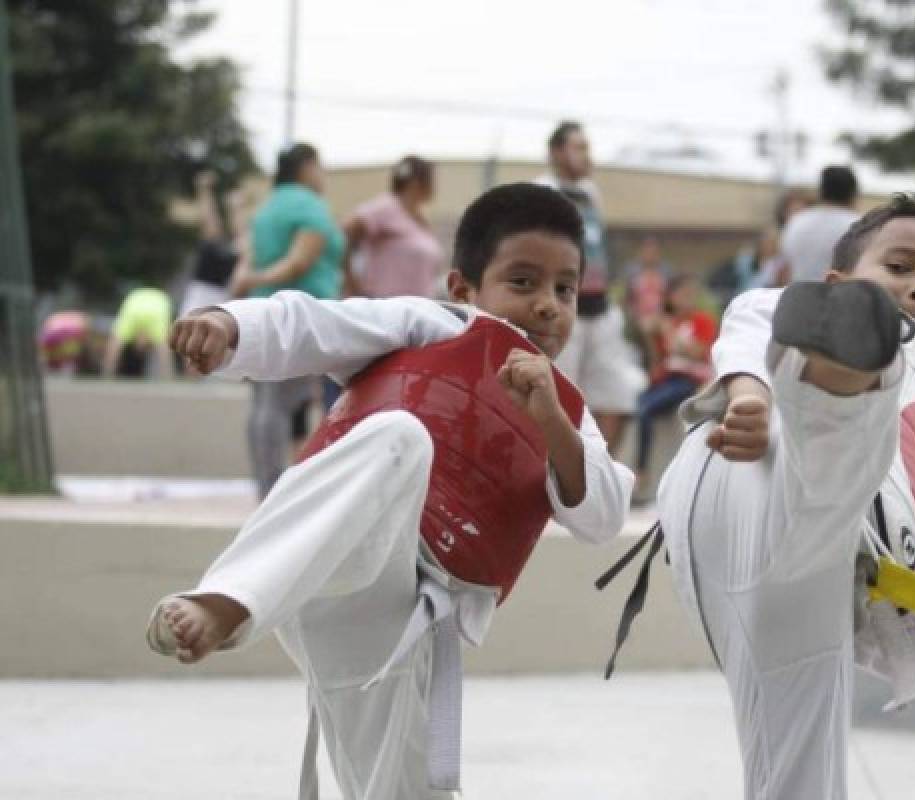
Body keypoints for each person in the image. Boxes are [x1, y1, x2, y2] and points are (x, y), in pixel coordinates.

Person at [147, 183, 634, 799]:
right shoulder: (430, 323)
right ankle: (227, 599)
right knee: (400, 436)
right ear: (463, 288)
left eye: (564, 289)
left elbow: (603, 515)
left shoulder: (564, 411)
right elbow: (312, 324)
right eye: (523, 282)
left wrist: (551, 422)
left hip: (403, 618)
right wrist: (228, 324)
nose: (547, 305)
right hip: (336, 556)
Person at [654, 195, 915, 800]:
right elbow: (751, 324)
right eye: (899, 268)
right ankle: (836, 384)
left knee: (802, 775)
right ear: (836, 282)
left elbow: (874, 613)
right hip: (743, 473)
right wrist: (751, 397)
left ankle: (842, 389)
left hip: (811, 569)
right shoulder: (782, 307)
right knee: (824, 452)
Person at [232, 143, 346, 498]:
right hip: (300, 316)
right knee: (282, 405)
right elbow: (299, 263)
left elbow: (248, 256)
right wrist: (258, 280)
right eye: (320, 167)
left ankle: (267, 485)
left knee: (267, 404)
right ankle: (274, 489)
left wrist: (248, 286)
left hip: (263, 316)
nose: (323, 175)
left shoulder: (268, 209)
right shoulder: (309, 207)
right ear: (306, 167)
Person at [537, 121, 646, 454]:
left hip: (601, 307)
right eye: (579, 148)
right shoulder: (542, 192)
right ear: (557, 152)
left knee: (618, 396)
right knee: (561, 395)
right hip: (565, 308)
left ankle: (598, 473)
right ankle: (556, 480)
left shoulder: (590, 193)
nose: (587, 156)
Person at [633, 275, 717, 496]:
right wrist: (650, 335)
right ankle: (641, 472)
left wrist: (667, 330)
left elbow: (697, 353)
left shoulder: (701, 321)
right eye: (683, 294)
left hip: (689, 379)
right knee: (640, 405)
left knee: (645, 409)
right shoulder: (667, 321)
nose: (688, 299)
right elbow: (658, 359)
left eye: (690, 294)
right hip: (666, 378)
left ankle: (642, 472)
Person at [342, 156, 443, 300]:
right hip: (385, 310)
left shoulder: (419, 219)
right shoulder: (387, 207)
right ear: (415, 182)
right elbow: (345, 232)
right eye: (433, 179)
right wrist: (352, 284)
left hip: (416, 312)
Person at [178, 170, 250, 318]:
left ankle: (233, 204)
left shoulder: (241, 246)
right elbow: (208, 221)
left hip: (222, 297)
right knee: (213, 233)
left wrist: (237, 207)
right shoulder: (213, 244)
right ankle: (216, 196)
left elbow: (241, 234)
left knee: (238, 243)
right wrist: (204, 190)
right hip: (204, 293)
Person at [776, 164, 859, 285]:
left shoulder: (797, 221)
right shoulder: (858, 226)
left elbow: (785, 268)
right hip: (840, 299)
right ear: (852, 193)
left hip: (797, 296)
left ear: (821, 191)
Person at [103, 287, 174, 379]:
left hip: (139, 300)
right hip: (151, 302)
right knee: (163, 348)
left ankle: (106, 375)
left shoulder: (130, 328)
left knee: (115, 344)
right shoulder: (155, 332)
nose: (141, 348)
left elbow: (112, 348)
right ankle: (168, 377)